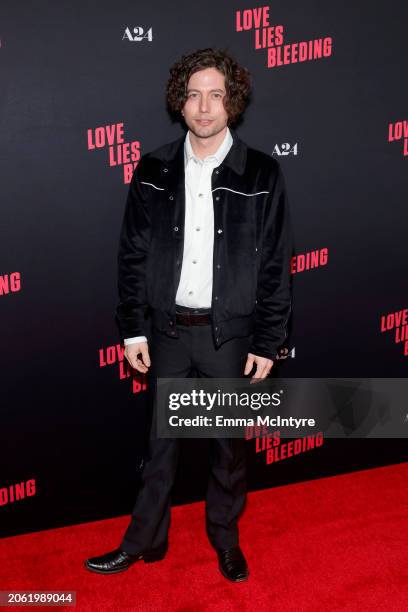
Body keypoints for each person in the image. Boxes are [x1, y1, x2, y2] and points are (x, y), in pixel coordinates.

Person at [84, 47, 293, 582]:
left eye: (216, 95)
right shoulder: (153, 167)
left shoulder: (262, 172)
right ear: (180, 101)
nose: (204, 106)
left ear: (233, 103)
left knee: (228, 451)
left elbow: (274, 262)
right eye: (194, 94)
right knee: (160, 449)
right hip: (169, 331)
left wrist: (268, 340)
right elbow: (131, 254)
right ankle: (144, 542)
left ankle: (226, 541)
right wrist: (132, 326)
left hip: (230, 338)